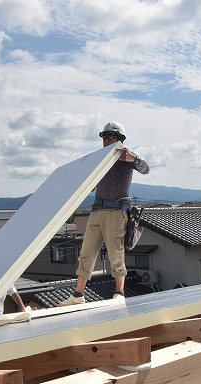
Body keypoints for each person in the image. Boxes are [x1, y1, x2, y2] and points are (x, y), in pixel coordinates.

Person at [60, 121, 150, 306]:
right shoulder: (100, 161)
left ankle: (119, 292)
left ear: (119, 139)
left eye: (110, 136)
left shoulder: (126, 157)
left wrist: (135, 159)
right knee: (86, 253)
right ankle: (78, 295)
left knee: (115, 253)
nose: (106, 140)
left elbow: (145, 168)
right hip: (96, 210)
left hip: (116, 211)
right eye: (104, 136)